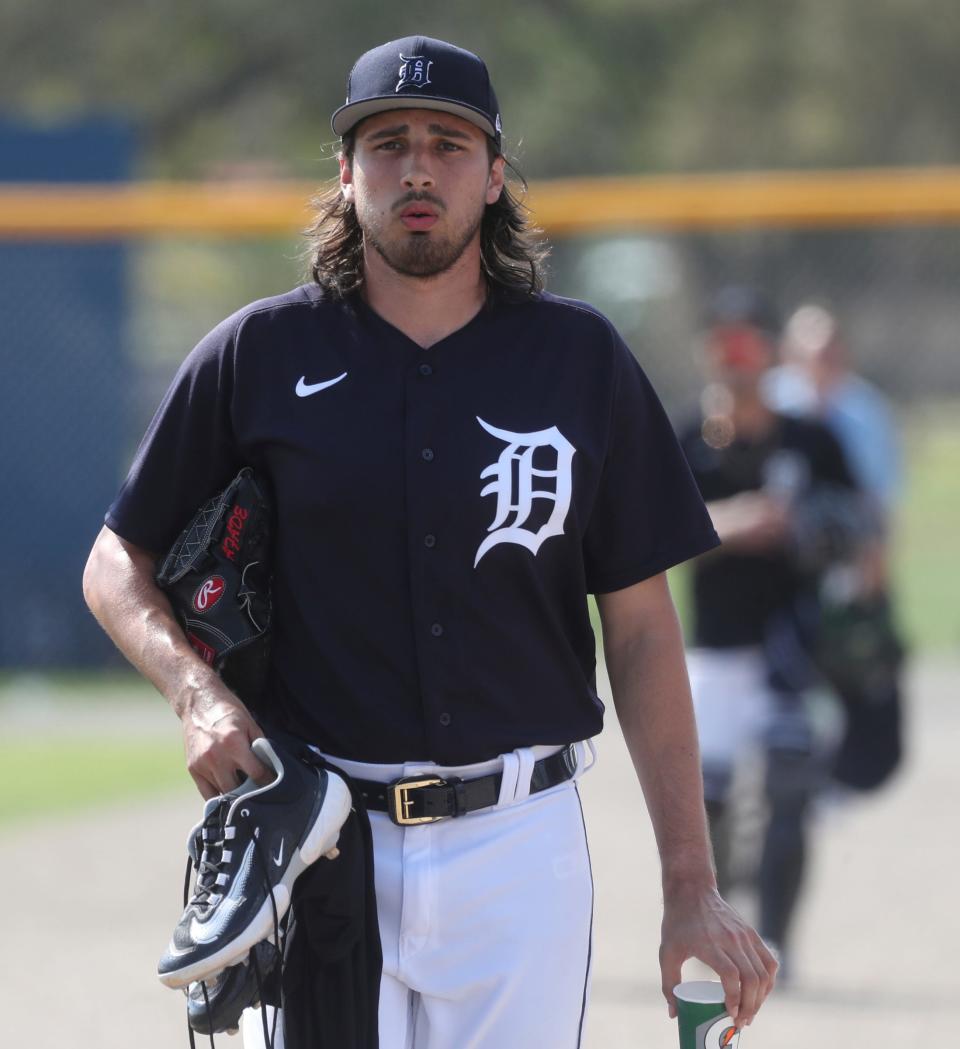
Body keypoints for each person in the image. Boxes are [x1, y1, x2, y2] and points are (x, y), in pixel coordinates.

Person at [83, 36, 776, 1048]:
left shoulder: (578, 359)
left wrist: (692, 886)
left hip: (519, 844)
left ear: (494, 174)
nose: (417, 168)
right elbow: (116, 559)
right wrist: (197, 696)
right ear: (346, 173)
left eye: (449, 144)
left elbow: (638, 630)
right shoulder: (261, 354)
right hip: (321, 840)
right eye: (387, 142)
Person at [677, 288, 861, 979]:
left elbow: (860, 523)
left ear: (769, 351)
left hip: (792, 650)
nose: (735, 358)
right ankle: (719, 933)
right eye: (723, 344)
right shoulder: (687, 435)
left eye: (747, 344)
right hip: (714, 651)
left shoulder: (810, 436)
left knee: (789, 793)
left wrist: (824, 531)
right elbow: (650, 537)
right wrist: (736, 520)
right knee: (710, 803)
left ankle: (778, 943)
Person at [764, 304, 905, 792]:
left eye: (831, 351)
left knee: (856, 669)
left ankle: (829, 780)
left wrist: (872, 585)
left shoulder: (864, 411)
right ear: (789, 354)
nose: (823, 361)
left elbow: (878, 506)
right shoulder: (771, 400)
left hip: (841, 562)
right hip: (775, 570)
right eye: (812, 351)